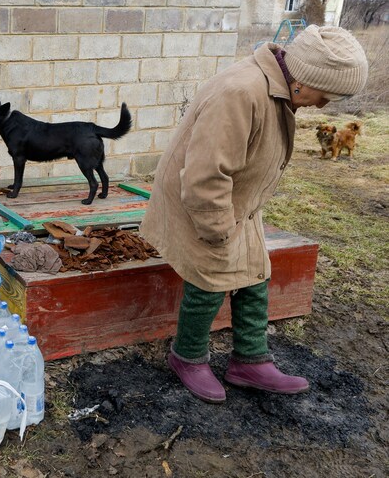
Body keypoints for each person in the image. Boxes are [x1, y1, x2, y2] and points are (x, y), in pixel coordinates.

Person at [140, 25, 368, 403]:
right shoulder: (241, 93)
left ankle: (250, 360)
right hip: (201, 199)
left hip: (239, 200)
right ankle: (188, 356)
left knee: (254, 271)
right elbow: (204, 175)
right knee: (210, 277)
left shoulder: (279, 88)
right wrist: (217, 230)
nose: (324, 105)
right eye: (326, 94)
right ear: (304, 79)